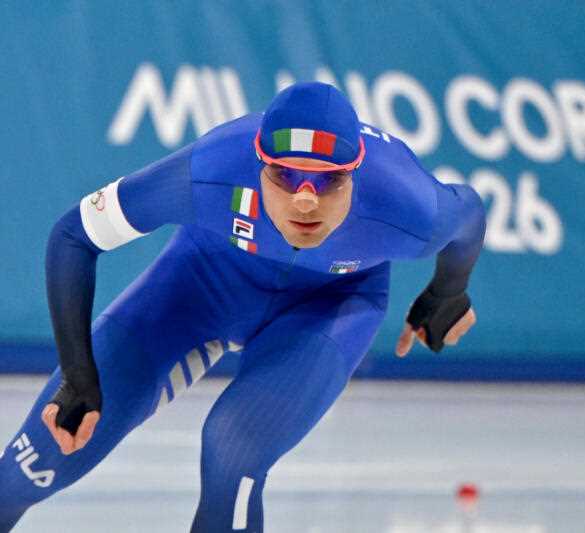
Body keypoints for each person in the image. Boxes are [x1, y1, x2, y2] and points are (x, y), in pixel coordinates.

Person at [0, 82, 485, 532]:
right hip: (199, 286)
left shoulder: (410, 205)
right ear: (258, 164)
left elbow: (470, 214)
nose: (305, 202)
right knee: (32, 466)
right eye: (286, 176)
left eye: (328, 182)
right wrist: (77, 373)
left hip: (330, 308)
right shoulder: (210, 170)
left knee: (232, 449)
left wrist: (447, 292)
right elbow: (74, 236)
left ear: (356, 174)